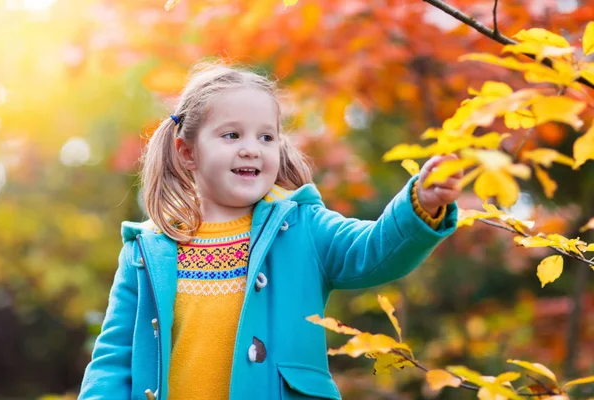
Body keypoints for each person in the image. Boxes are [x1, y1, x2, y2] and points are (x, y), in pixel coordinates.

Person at [78, 62, 462, 400]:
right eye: (232, 135)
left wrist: (421, 204)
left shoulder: (302, 227)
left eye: (266, 137)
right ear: (187, 152)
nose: (251, 149)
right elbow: (114, 360)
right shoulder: (147, 251)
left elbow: (372, 251)